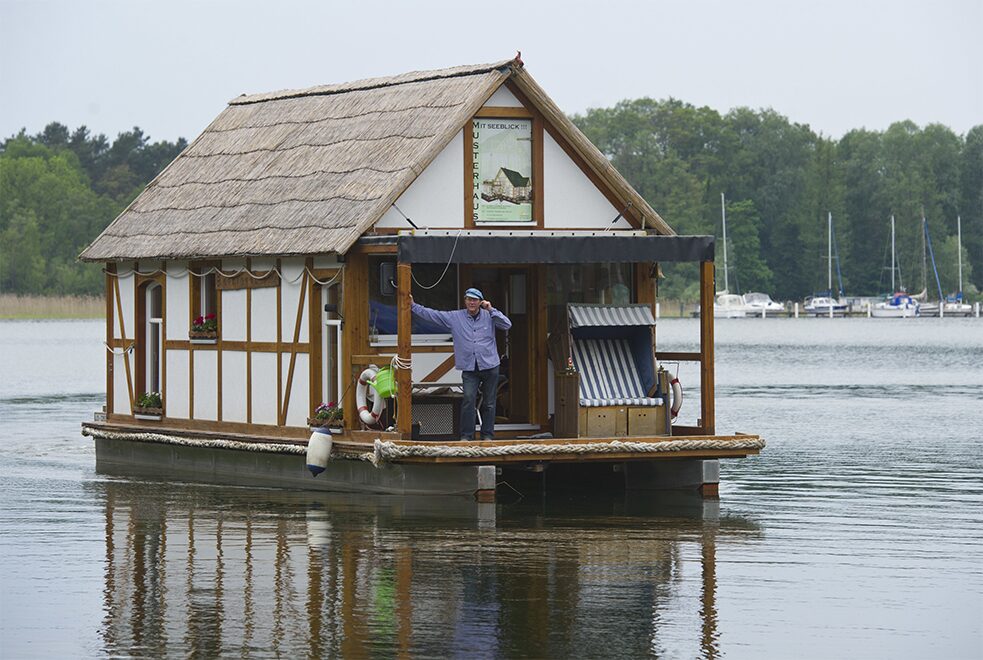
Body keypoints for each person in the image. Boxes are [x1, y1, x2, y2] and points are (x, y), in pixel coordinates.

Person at [410, 287, 512, 440]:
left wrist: (491, 309)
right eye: (469, 299)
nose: (471, 302)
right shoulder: (455, 317)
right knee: (468, 401)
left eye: (475, 300)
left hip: (490, 366)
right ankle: (466, 436)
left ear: (480, 302)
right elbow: (433, 315)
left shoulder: (489, 315)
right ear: (465, 301)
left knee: (489, 403)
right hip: (469, 368)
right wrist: (413, 306)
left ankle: (487, 436)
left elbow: (506, 325)